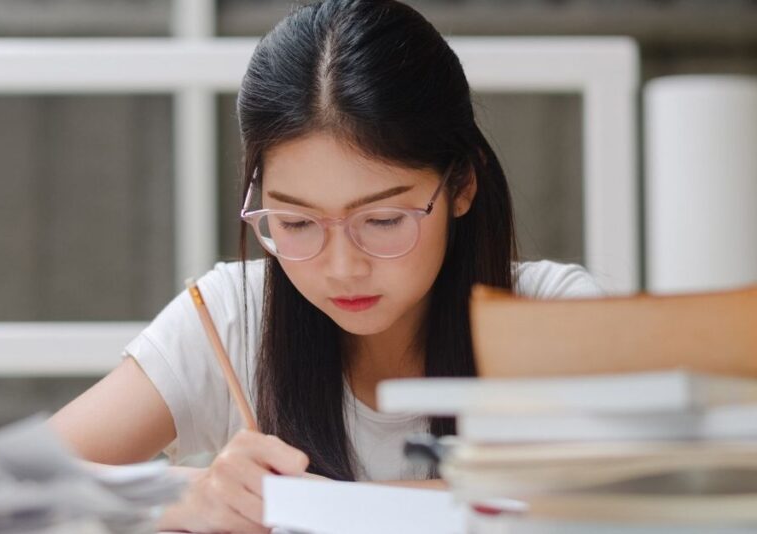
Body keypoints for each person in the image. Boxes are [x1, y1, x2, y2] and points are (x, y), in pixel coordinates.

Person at [49, 0, 603, 531]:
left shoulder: (551, 315)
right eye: (296, 223)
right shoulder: (234, 316)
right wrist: (187, 495)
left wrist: (313, 505)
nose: (341, 268)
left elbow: (612, 500)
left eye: (382, 220)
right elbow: (5, 490)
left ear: (461, 185)